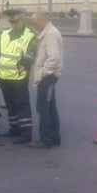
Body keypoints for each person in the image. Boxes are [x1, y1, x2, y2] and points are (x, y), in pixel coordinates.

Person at [0, 9, 36, 144]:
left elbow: (31, 53)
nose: (14, 24)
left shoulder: (30, 35)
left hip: (19, 77)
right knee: (10, 104)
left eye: (16, 22)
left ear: (22, 20)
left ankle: (26, 133)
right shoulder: (5, 34)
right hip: (3, 76)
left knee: (22, 104)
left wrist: (25, 64)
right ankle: (14, 128)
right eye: (12, 22)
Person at [26, 11, 63, 148]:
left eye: (35, 23)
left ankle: (46, 139)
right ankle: (54, 137)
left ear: (42, 20)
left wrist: (44, 73)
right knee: (50, 106)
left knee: (43, 107)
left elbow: (53, 57)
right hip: (50, 75)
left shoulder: (50, 34)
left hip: (48, 76)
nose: (34, 26)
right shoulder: (48, 33)